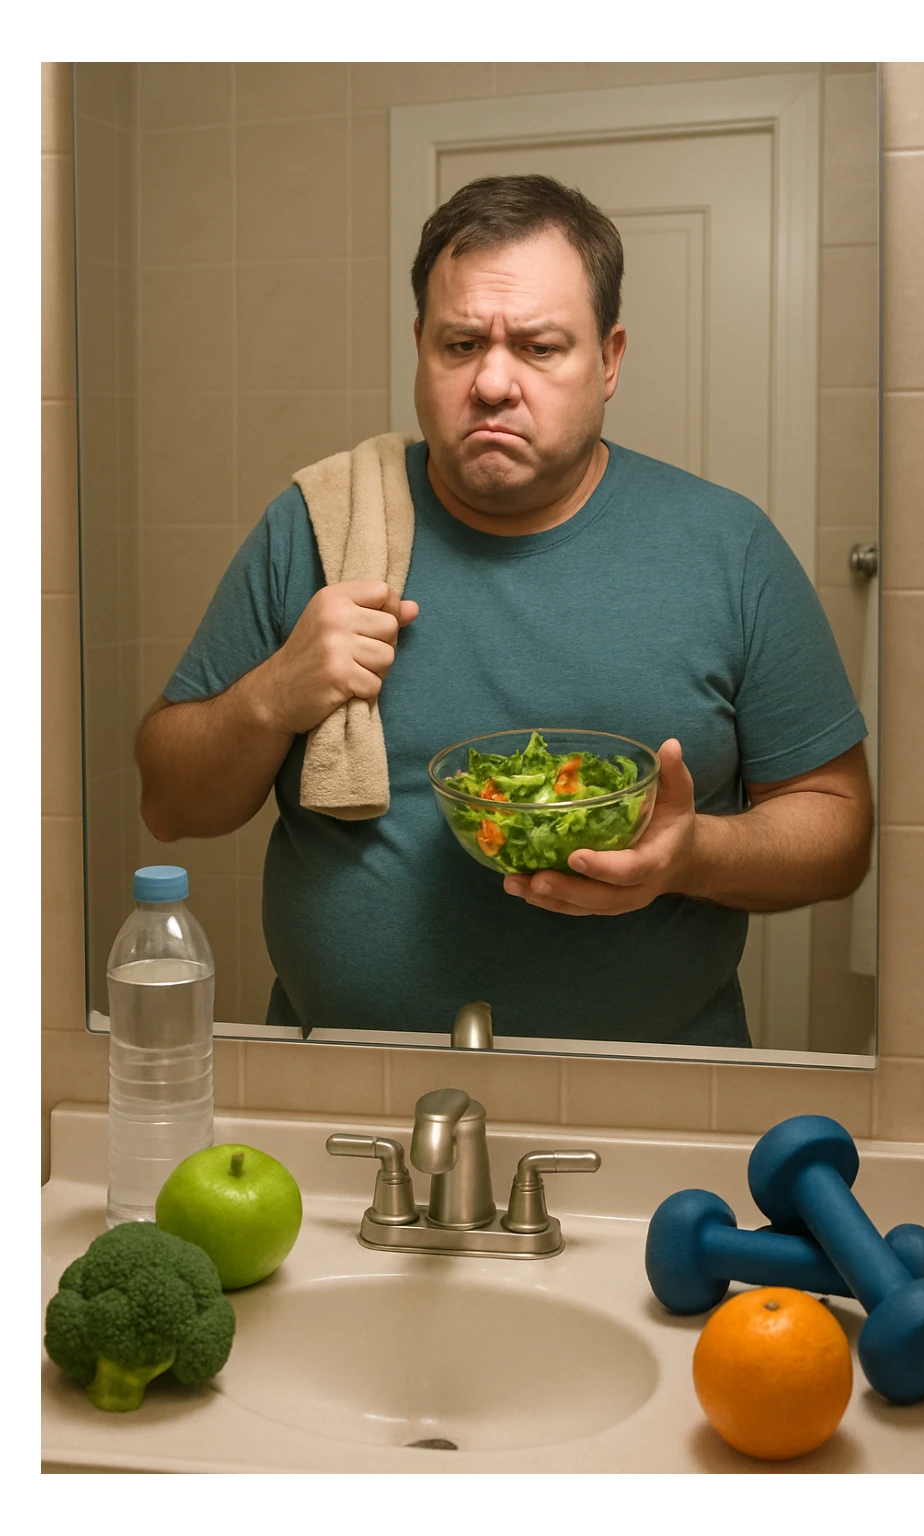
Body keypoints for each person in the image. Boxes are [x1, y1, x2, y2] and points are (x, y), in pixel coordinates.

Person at [136, 174, 872, 1048]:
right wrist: (272, 695)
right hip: (340, 1089)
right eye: (459, 345)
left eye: (539, 347)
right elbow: (169, 801)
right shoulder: (317, 527)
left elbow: (838, 827)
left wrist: (694, 857)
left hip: (655, 1097)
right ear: (420, 348)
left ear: (609, 359)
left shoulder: (729, 548)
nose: (492, 381)